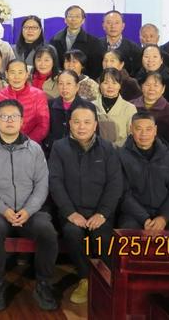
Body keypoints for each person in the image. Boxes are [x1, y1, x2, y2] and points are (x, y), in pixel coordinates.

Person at [0, 100, 58, 312]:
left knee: (47, 231)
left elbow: (42, 184)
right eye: (4, 117)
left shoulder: (35, 149)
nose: (9, 121)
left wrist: (28, 210)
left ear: (22, 121)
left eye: (14, 117)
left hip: (31, 211)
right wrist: (4, 210)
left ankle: (44, 284)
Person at [48, 101, 123, 305]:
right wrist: (70, 213)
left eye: (87, 122)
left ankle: (106, 281)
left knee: (101, 237)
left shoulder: (108, 149)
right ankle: (85, 279)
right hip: (72, 213)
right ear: (69, 124)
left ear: (95, 124)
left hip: (101, 213)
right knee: (73, 233)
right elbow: (55, 182)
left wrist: (102, 214)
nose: (82, 126)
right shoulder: (59, 147)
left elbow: (115, 184)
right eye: (77, 122)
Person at [117, 112, 169, 230]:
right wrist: (144, 218)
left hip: (165, 213)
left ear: (155, 130)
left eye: (148, 129)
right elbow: (123, 194)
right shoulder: (120, 155)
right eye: (138, 129)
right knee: (129, 235)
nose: (144, 134)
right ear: (131, 129)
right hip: (133, 215)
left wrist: (163, 217)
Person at [0, 59, 49, 145]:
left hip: (30, 146)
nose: (16, 77)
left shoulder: (39, 95)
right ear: (7, 74)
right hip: (3, 145)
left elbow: (43, 126)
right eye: (12, 72)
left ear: (27, 74)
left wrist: (26, 143)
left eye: (20, 72)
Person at [49, 5, 104, 80]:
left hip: (83, 83)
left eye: (77, 16)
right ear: (65, 19)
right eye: (70, 16)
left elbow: (96, 68)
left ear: (83, 20)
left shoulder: (93, 42)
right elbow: (53, 64)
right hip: (61, 83)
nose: (73, 19)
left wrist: (84, 81)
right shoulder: (55, 40)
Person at [130, 71, 169, 148]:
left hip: (162, 154)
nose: (151, 89)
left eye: (156, 85)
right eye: (148, 85)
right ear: (142, 86)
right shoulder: (130, 106)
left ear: (163, 89)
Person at [94, 68, 138, 146]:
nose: (110, 86)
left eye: (114, 83)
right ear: (100, 85)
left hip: (121, 152)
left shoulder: (129, 108)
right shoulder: (91, 106)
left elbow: (132, 136)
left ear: (120, 85)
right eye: (106, 83)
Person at [46, 70, 89, 150]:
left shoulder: (88, 107)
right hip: (54, 151)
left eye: (68, 83)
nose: (64, 87)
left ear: (77, 86)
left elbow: (93, 136)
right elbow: (46, 131)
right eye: (61, 84)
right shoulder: (50, 105)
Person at [99, 10, 142, 76]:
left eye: (117, 23)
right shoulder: (95, 45)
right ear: (103, 26)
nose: (113, 26)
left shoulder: (134, 48)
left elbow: (138, 73)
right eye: (109, 22)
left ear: (123, 26)